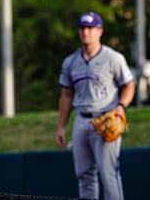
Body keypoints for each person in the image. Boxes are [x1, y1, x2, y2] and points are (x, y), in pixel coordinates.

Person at [56, 12, 135, 200]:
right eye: (83, 28)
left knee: (109, 175)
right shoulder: (71, 62)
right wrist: (61, 126)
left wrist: (121, 107)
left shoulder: (113, 58)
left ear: (100, 31)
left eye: (91, 28)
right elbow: (66, 95)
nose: (86, 32)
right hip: (81, 120)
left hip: (105, 117)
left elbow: (129, 85)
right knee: (83, 174)